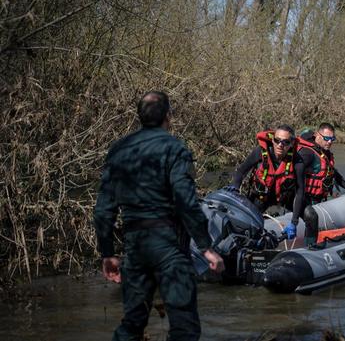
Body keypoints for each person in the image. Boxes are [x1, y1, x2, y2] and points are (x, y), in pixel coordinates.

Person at [93, 91, 224, 341]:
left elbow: (103, 209)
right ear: (168, 116)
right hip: (170, 246)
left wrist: (107, 252)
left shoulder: (118, 150)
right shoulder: (175, 148)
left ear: (139, 117)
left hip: (135, 245)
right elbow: (185, 202)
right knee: (184, 327)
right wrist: (206, 247)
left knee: (132, 324)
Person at [230, 125, 309, 242]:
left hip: (285, 197)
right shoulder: (260, 152)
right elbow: (241, 171)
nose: (280, 145)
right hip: (262, 196)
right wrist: (234, 188)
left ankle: (311, 248)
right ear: (272, 139)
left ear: (292, 143)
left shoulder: (298, 161)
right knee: (246, 222)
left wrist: (294, 222)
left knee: (311, 215)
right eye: (277, 140)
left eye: (285, 142)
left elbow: (300, 191)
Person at [296, 123, 345, 244]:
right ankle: (309, 247)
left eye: (332, 139)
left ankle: (316, 243)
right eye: (327, 138)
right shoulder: (307, 154)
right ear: (317, 135)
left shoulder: (324, 152)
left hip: (320, 200)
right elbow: (294, 173)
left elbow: (331, 172)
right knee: (311, 222)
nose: (330, 142)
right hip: (306, 200)